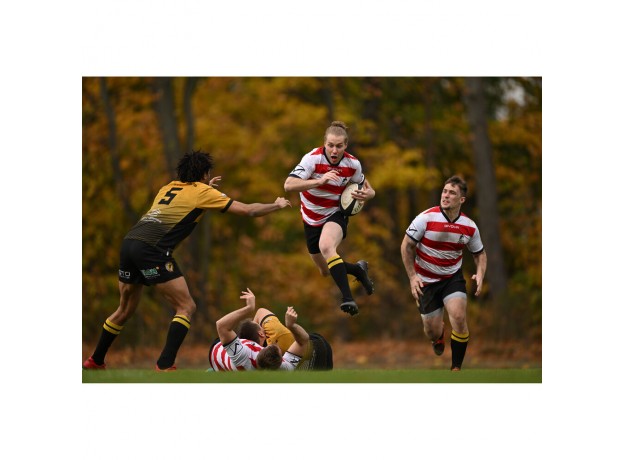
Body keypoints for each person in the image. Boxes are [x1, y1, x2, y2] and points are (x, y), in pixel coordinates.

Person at [83, 150, 292, 371]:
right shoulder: (202, 192)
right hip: (152, 250)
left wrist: (206, 187)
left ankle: (95, 360)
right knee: (186, 306)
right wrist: (276, 205)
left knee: (124, 310)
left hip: (130, 244)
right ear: (204, 174)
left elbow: (185, 201)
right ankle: (165, 365)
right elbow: (248, 210)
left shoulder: (167, 188)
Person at [284, 121, 375, 316]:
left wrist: (370, 194)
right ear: (324, 143)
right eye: (330, 145)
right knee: (325, 271)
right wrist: (320, 180)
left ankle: (348, 298)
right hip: (310, 219)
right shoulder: (312, 159)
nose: (334, 150)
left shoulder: (352, 164)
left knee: (326, 247)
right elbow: (288, 185)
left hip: (336, 213)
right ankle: (358, 270)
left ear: (346, 145)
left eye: (339, 146)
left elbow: (365, 185)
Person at [400, 175, 487, 371]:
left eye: (452, 193)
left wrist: (481, 273)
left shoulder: (469, 226)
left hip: (451, 278)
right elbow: (406, 246)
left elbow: (480, 254)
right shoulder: (425, 218)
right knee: (431, 331)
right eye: (444, 191)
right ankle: (438, 337)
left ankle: (456, 369)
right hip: (425, 281)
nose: (446, 196)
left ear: (461, 199)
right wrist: (413, 277)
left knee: (459, 317)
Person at [209, 288, 308, 371]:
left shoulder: (242, 356)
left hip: (216, 351)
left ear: (260, 350)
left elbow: (221, 325)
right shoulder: (283, 368)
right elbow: (303, 341)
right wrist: (291, 325)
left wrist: (249, 308)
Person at [253, 306, 333, 370]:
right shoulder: (276, 333)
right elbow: (303, 341)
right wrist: (291, 326)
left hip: (312, 345)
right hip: (313, 351)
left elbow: (260, 312)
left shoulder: (273, 330)